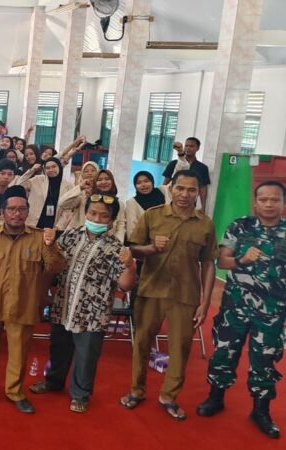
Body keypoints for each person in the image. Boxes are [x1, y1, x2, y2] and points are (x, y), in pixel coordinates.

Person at [120, 170, 217, 421]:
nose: (185, 194)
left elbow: (208, 263)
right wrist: (152, 248)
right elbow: (132, 249)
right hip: (151, 290)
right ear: (171, 189)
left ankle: (169, 396)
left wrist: (205, 302)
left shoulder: (205, 224)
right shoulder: (152, 216)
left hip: (185, 295)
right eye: (180, 188)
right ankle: (136, 390)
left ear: (198, 193)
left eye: (191, 190)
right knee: (142, 342)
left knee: (180, 347)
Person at [29, 195, 137, 413]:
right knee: (59, 347)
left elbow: (125, 285)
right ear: (85, 213)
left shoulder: (115, 247)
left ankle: (80, 394)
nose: (96, 219)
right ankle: (53, 381)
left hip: (92, 313)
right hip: (64, 305)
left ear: (112, 220)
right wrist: (42, 293)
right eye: (92, 213)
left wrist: (130, 266)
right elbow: (53, 265)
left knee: (86, 355)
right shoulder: (70, 236)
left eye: (103, 216)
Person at [0, 185, 66, 412]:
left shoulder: (40, 238)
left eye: (22, 209)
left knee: (19, 353)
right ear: (2, 212)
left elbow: (56, 267)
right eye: (12, 209)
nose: (17, 214)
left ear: (28, 211)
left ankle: (15, 392)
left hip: (23, 304)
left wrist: (51, 246)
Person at [197, 181, 286, 439]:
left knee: (265, 360)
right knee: (224, 353)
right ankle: (215, 398)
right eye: (263, 199)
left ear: (283, 203)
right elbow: (222, 261)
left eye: (275, 199)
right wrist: (242, 259)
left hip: (272, 311)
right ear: (255, 202)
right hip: (235, 307)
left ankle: (261, 410)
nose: (269, 204)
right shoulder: (240, 226)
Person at [16, 157, 73, 229]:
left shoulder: (68, 186)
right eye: (48, 168)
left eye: (54, 167)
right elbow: (19, 185)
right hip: (33, 224)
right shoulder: (38, 180)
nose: (51, 170)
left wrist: (57, 227)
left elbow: (67, 210)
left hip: (53, 227)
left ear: (59, 167)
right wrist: (31, 170)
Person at [162, 137, 210, 209]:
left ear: (197, 148)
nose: (188, 148)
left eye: (191, 146)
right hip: (172, 200)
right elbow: (166, 182)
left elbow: (203, 188)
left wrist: (203, 207)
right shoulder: (174, 163)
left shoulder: (202, 167)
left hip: (191, 203)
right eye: (186, 146)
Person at [124, 171, 171, 243]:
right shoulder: (132, 202)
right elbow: (131, 230)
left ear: (152, 182)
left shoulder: (162, 191)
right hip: (147, 244)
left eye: (146, 181)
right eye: (139, 183)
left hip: (171, 238)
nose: (143, 185)